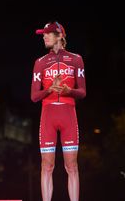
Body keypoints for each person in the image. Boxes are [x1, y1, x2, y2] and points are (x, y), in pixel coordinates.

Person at [31, 21, 86, 201]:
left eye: (48, 34)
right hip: (48, 116)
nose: (44, 37)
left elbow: (83, 92)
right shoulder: (39, 62)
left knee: (72, 166)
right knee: (47, 165)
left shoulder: (76, 59)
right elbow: (34, 96)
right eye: (43, 34)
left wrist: (69, 91)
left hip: (69, 114)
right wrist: (49, 90)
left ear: (60, 36)